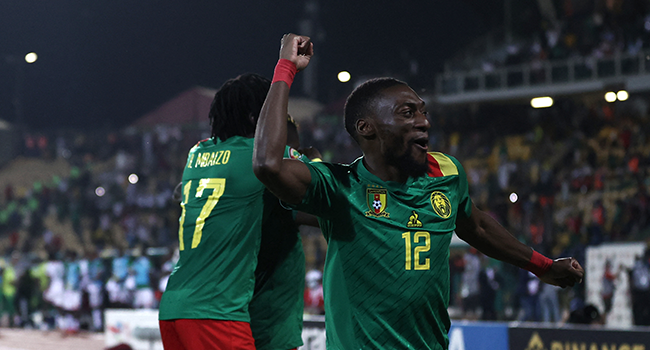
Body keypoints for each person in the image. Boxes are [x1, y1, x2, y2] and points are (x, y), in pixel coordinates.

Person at [253, 33, 585, 349]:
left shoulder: (446, 172)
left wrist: (543, 266)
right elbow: (268, 164)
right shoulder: (340, 186)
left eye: (423, 112)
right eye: (407, 113)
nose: (423, 121)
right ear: (365, 128)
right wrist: (286, 67)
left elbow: (478, 226)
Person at [158, 73, 271, 350]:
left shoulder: (197, 152)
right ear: (255, 117)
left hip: (174, 307)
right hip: (215, 312)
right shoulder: (256, 154)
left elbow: (182, 190)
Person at [248, 116, 318, 350]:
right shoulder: (275, 195)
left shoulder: (252, 192)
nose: (298, 155)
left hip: (260, 322)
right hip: (271, 328)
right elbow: (326, 211)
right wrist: (315, 165)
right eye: (293, 150)